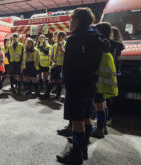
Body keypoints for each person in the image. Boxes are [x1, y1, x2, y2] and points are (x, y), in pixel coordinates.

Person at [56, 8, 110, 164]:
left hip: (77, 85)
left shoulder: (74, 39)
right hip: (91, 83)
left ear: (77, 21)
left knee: (77, 120)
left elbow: (68, 66)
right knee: (86, 117)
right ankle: (83, 149)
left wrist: (65, 82)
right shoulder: (95, 36)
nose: (69, 22)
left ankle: (76, 156)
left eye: (71, 20)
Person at [91, 22, 119, 138]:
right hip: (106, 79)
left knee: (99, 106)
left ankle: (100, 129)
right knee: (104, 104)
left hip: (99, 78)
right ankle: (103, 127)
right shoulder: (111, 44)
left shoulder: (101, 44)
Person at [43, 31, 66, 99]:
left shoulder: (66, 44)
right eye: (57, 36)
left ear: (63, 37)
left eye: (59, 37)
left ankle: (58, 95)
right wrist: (53, 62)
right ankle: (47, 94)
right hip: (55, 65)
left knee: (59, 81)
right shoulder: (54, 45)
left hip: (62, 66)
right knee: (51, 80)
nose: (57, 38)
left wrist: (60, 45)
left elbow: (64, 53)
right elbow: (52, 56)